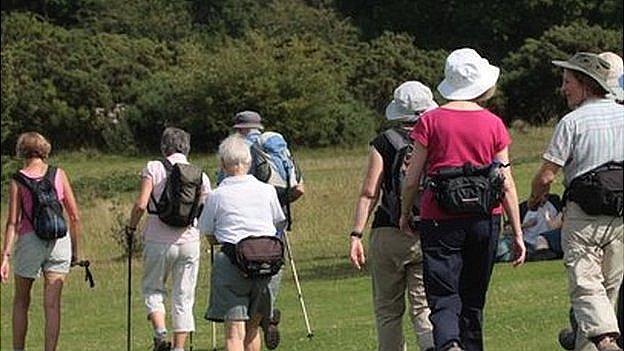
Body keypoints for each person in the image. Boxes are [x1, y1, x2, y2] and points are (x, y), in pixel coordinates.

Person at [400, 48, 526, 351]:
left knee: (443, 295)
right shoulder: (494, 123)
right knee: (473, 297)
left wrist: (405, 212)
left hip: (439, 216)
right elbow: (505, 181)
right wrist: (518, 232)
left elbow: (412, 178)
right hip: (485, 216)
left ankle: (449, 344)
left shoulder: (430, 121)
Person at [529, 52, 624, 351]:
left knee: (586, 284)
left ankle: (606, 341)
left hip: (583, 215)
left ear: (585, 84)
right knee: (609, 287)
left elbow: (546, 176)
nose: (563, 88)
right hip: (620, 215)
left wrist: (534, 200)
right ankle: (589, 344)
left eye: (567, 81)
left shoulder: (572, 122)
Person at [348, 80, 436, 351]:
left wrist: (356, 234)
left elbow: (369, 192)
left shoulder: (384, 142)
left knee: (388, 312)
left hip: (387, 231)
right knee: (423, 309)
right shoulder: (435, 136)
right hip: (426, 230)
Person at [217, 110, 304, 349]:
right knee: (263, 289)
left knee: (237, 321)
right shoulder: (279, 149)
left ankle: (263, 319)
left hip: (238, 242)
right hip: (272, 238)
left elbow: (222, 189)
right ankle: (266, 316)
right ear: (259, 127)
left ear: (238, 128)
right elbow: (299, 189)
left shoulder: (235, 151)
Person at [126, 127, 211, 351]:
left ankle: (160, 333)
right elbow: (205, 208)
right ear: (187, 147)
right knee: (184, 296)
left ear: (164, 147)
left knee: (153, 289)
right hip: (190, 240)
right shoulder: (200, 174)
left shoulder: (153, 167)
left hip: (158, 240)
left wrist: (131, 227)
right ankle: (179, 348)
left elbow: (141, 204)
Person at [199, 134, 287, 351]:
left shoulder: (217, 196)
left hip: (232, 264)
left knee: (234, 334)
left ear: (222, 164)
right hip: (268, 266)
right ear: (249, 162)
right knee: (252, 329)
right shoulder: (267, 191)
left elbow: (208, 232)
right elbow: (278, 222)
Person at [1, 132, 82, 351]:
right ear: (44, 149)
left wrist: (5, 256)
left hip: (30, 241)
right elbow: (74, 216)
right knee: (52, 305)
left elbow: (12, 221)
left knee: (21, 301)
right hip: (59, 240)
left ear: (22, 151)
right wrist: (75, 251)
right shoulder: (58, 174)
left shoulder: (18, 179)